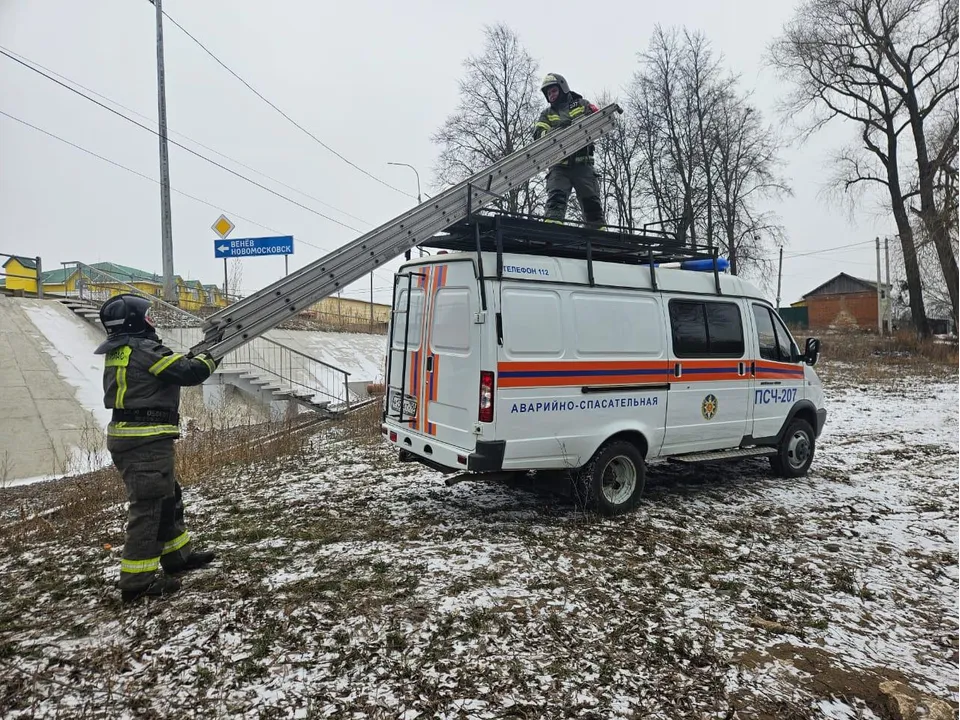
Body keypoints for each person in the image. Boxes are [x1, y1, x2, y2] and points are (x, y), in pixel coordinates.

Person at [94, 293, 219, 603]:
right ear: (137, 321)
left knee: (167, 497)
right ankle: (137, 583)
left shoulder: (122, 350)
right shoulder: (144, 350)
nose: (152, 320)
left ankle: (178, 557)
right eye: (148, 315)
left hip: (138, 440)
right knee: (151, 508)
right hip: (144, 442)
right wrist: (214, 352)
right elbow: (190, 372)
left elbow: (174, 366)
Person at [533, 73, 606, 229]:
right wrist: (557, 130)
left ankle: (600, 237)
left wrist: (587, 116)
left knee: (592, 203)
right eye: (548, 93)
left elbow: (597, 119)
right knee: (555, 202)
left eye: (553, 91)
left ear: (562, 88)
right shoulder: (546, 114)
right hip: (559, 166)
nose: (551, 95)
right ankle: (552, 233)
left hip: (583, 165)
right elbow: (539, 135)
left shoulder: (580, 104)